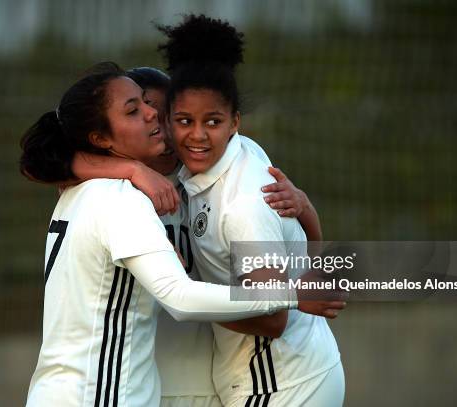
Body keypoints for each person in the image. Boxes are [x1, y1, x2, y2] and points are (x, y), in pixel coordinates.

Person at [20, 62, 344, 407]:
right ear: (103, 138)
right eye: (138, 110)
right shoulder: (111, 192)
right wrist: (130, 169)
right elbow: (39, 161)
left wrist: (304, 206)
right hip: (116, 388)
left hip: (198, 383)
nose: (156, 122)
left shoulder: (213, 177)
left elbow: (277, 299)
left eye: (170, 116)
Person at [157, 15, 345, 407]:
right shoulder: (244, 153)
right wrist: (307, 207)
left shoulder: (242, 204)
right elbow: (308, 248)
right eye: (184, 121)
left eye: (212, 121)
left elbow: (273, 319)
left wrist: (184, 293)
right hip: (295, 370)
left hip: (277, 382)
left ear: (234, 123)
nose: (197, 135)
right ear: (168, 123)